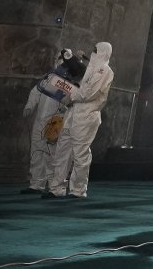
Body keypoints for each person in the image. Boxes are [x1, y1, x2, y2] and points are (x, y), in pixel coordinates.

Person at [48, 41, 113, 199]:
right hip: (73, 112)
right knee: (62, 151)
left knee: (80, 154)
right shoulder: (90, 67)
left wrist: (71, 95)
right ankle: (56, 188)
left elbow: (90, 93)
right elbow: (80, 86)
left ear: (104, 52)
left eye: (96, 50)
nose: (93, 52)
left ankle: (78, 190)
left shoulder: (104, 70)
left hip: (87, 115)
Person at [22, 48, 74, 193]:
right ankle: (36, 184)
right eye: (58, 59)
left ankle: (52, 185)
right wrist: (29, 106)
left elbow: (72, 101)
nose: (60, 63)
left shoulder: (71, 83)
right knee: (37, 152)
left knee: (52, 154)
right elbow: (35, 92)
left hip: (56, 121)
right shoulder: (48, 78)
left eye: (63, 60)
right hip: (40, 120)